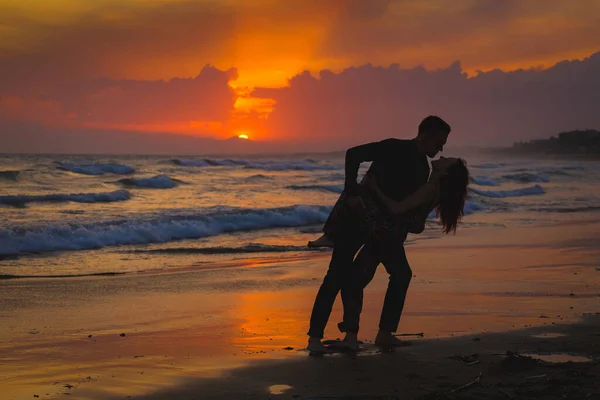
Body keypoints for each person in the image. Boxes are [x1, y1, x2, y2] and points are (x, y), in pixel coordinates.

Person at [307, 116, 451, 353]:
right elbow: (353, 154)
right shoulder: (393, 147)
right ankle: (315, 338)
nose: (441, 148)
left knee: (383, 275)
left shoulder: (423, 168)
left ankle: (364, 335)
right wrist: (351, 190)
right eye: (439, 142)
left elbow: (406, 206)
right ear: (425, 135)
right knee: (336, 276)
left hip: (382, 231)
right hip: (356, 221)